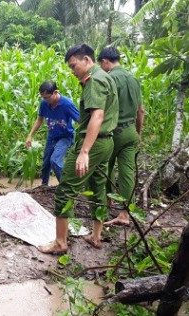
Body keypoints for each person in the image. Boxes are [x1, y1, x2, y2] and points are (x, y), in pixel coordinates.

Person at [38, 44, 118, 254]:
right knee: (98, 187)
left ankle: (60, 242)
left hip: (92, 143)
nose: (73, 71)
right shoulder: (106, 76)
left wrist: (84, 152)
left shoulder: (94, 81)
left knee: (65, 191)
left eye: (74, 66)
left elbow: (97, 116)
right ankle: (96, 235)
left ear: (87, 60)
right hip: (106, 142)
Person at [98, 47, 145, 226]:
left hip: (113, 132)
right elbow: (141, 111)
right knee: (127, 173)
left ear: (105, 61)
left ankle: (105, 202)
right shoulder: (133, 79)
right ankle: (125, 213)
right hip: (131, 131)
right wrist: (138, 134)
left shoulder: (109, 79)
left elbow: (100, 111)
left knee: (104, 168)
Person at [25, 81, 79, 185]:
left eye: (47, 97)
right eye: (43, 97)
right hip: (52, 136)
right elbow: (39, 119)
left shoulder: (67, 104)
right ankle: (44, 185)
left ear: (55, 92)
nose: (45, 100)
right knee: (46, 163)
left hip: (65, 137)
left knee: (55, 161)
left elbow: (80, 120)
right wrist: (30, 135)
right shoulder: (44, 103)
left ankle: (65, 186)